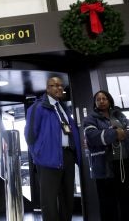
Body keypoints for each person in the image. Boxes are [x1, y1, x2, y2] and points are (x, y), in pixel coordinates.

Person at [24, 76, 81, 221]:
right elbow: (30, 135)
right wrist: (39, 154)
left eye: (61, 85)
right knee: (49, 202)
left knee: (67, 199)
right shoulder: (37, 107)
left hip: (67, 156)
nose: (59, 88)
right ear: (47, 88)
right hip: (47, 159)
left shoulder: (63, 108)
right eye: (54, 85)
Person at [83, 90, 129, 221]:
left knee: (126, 200)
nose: (102, 101)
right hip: (104, 166)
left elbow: (127, 131)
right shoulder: (90, 119)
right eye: (98, 99)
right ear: (95, 103)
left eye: (104, 98)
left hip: (124, 164)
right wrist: (114, 134)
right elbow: (92, 137)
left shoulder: (120, 116)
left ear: (109, 101)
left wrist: (122, 133)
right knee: (108, 203)